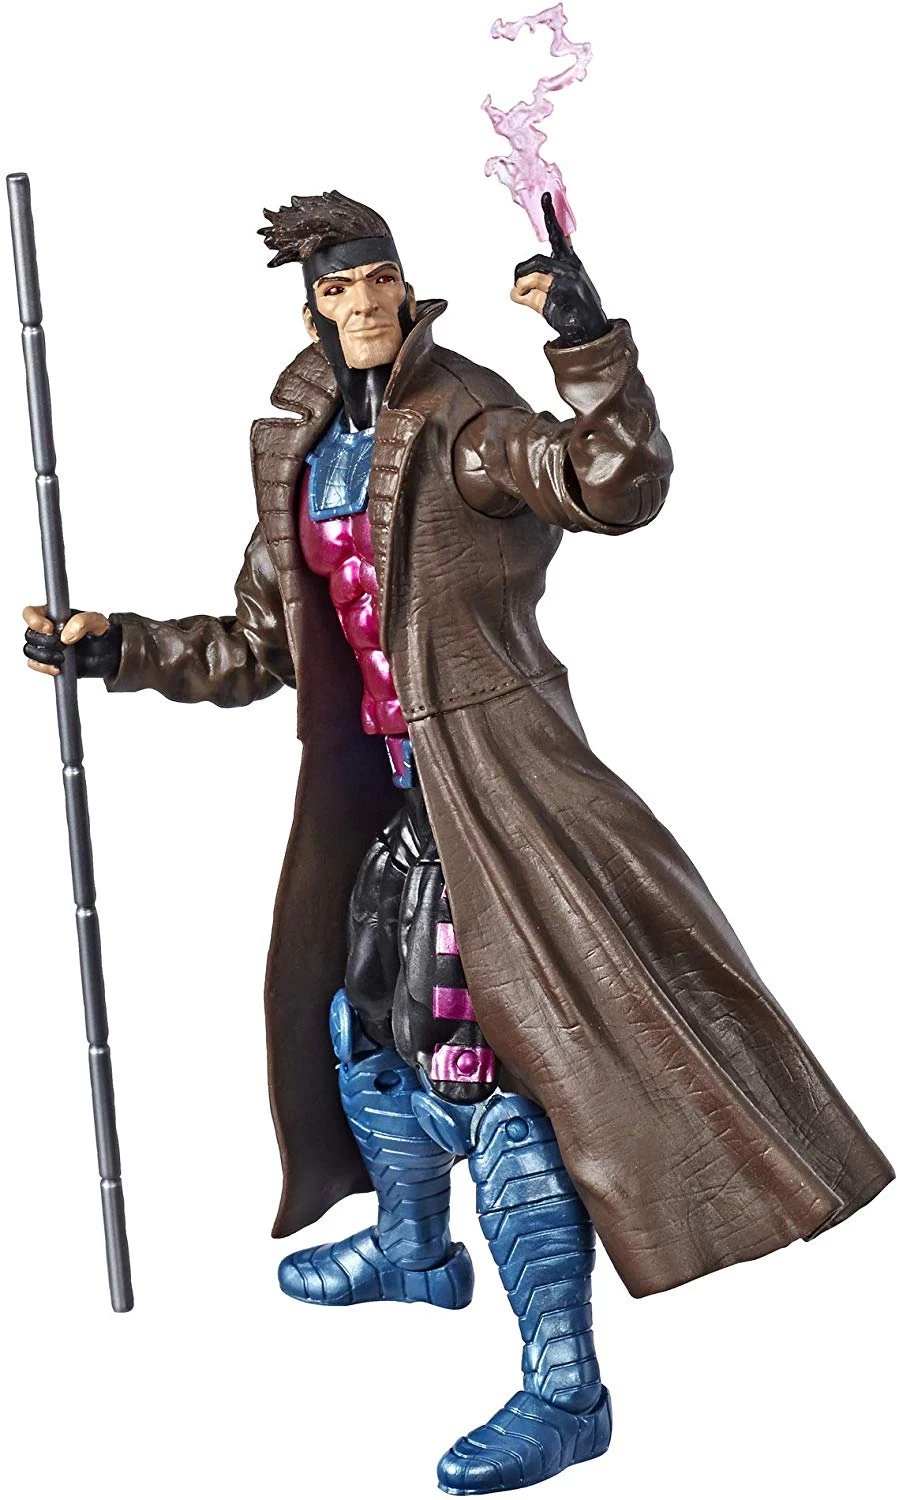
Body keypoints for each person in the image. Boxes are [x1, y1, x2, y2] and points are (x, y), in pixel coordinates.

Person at [23, 189, 893, 1497]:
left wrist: (589, 344)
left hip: (494, 796)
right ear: (311, 312)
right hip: (379, 798)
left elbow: (610, 483)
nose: (364, 305)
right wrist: (117, 648)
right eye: (338, 290)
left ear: (405, 285)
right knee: (359, 1034)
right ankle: (417, 1253)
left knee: (479, 1079)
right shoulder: (301, 443)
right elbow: (260, 643)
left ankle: (566, 1389)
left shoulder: (466, 422)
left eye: (379, 280)